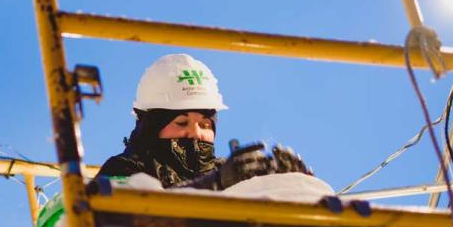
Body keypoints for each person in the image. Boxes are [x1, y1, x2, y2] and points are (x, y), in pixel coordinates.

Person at [94, 53, 310, 190]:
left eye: (205, 124)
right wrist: (213, 186)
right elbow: (136, 218)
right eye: (181, 123)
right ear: (151, 128)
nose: (196, 133)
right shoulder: (124, 171)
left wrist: (296, 183)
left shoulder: (232, 172)